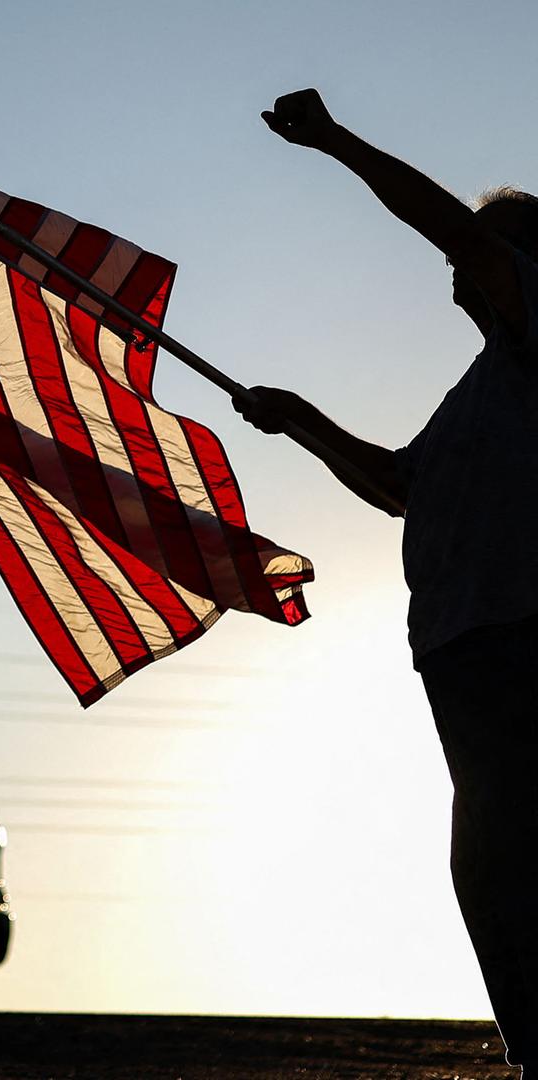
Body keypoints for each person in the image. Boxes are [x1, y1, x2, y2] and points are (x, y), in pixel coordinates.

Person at [238, 88, 538, 1071]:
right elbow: (397, 485)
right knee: (492, 868)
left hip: (524, 643)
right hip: (464, 660)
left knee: (510, 862)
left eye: (477, 257)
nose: (459, 272)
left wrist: (333, 141)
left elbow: (450, 224)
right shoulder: (479, 391)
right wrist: (301, 420)